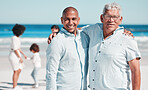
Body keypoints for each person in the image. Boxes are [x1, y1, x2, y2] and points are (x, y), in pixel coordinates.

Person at [82, 2, 141, 90]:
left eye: (115, 17)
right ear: (102, 18)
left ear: (120, 19)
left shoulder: (127, 39)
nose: (111, 20)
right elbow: (74, 29)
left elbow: (135, 70)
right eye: (108, 16)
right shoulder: (92, 30)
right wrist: (55, 34)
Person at [46, 7, 89, 90]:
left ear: (78, 20)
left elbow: (97, 28)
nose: (70, 22)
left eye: (74, 19)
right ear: (62, 20)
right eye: (67, 19)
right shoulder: (57, 42)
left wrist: (121, 30)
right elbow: (50, 73)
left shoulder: (84, 37)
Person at [9, 24, 27, 90]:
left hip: (17, 54)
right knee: (16, 71)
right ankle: (14, 86)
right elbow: (15, 49)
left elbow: (18, 48)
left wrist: (23, 54)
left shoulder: (17, 38)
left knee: (19, 69)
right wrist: (20, 57)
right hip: (14, 55)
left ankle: (15, 85)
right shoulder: (14, 38)